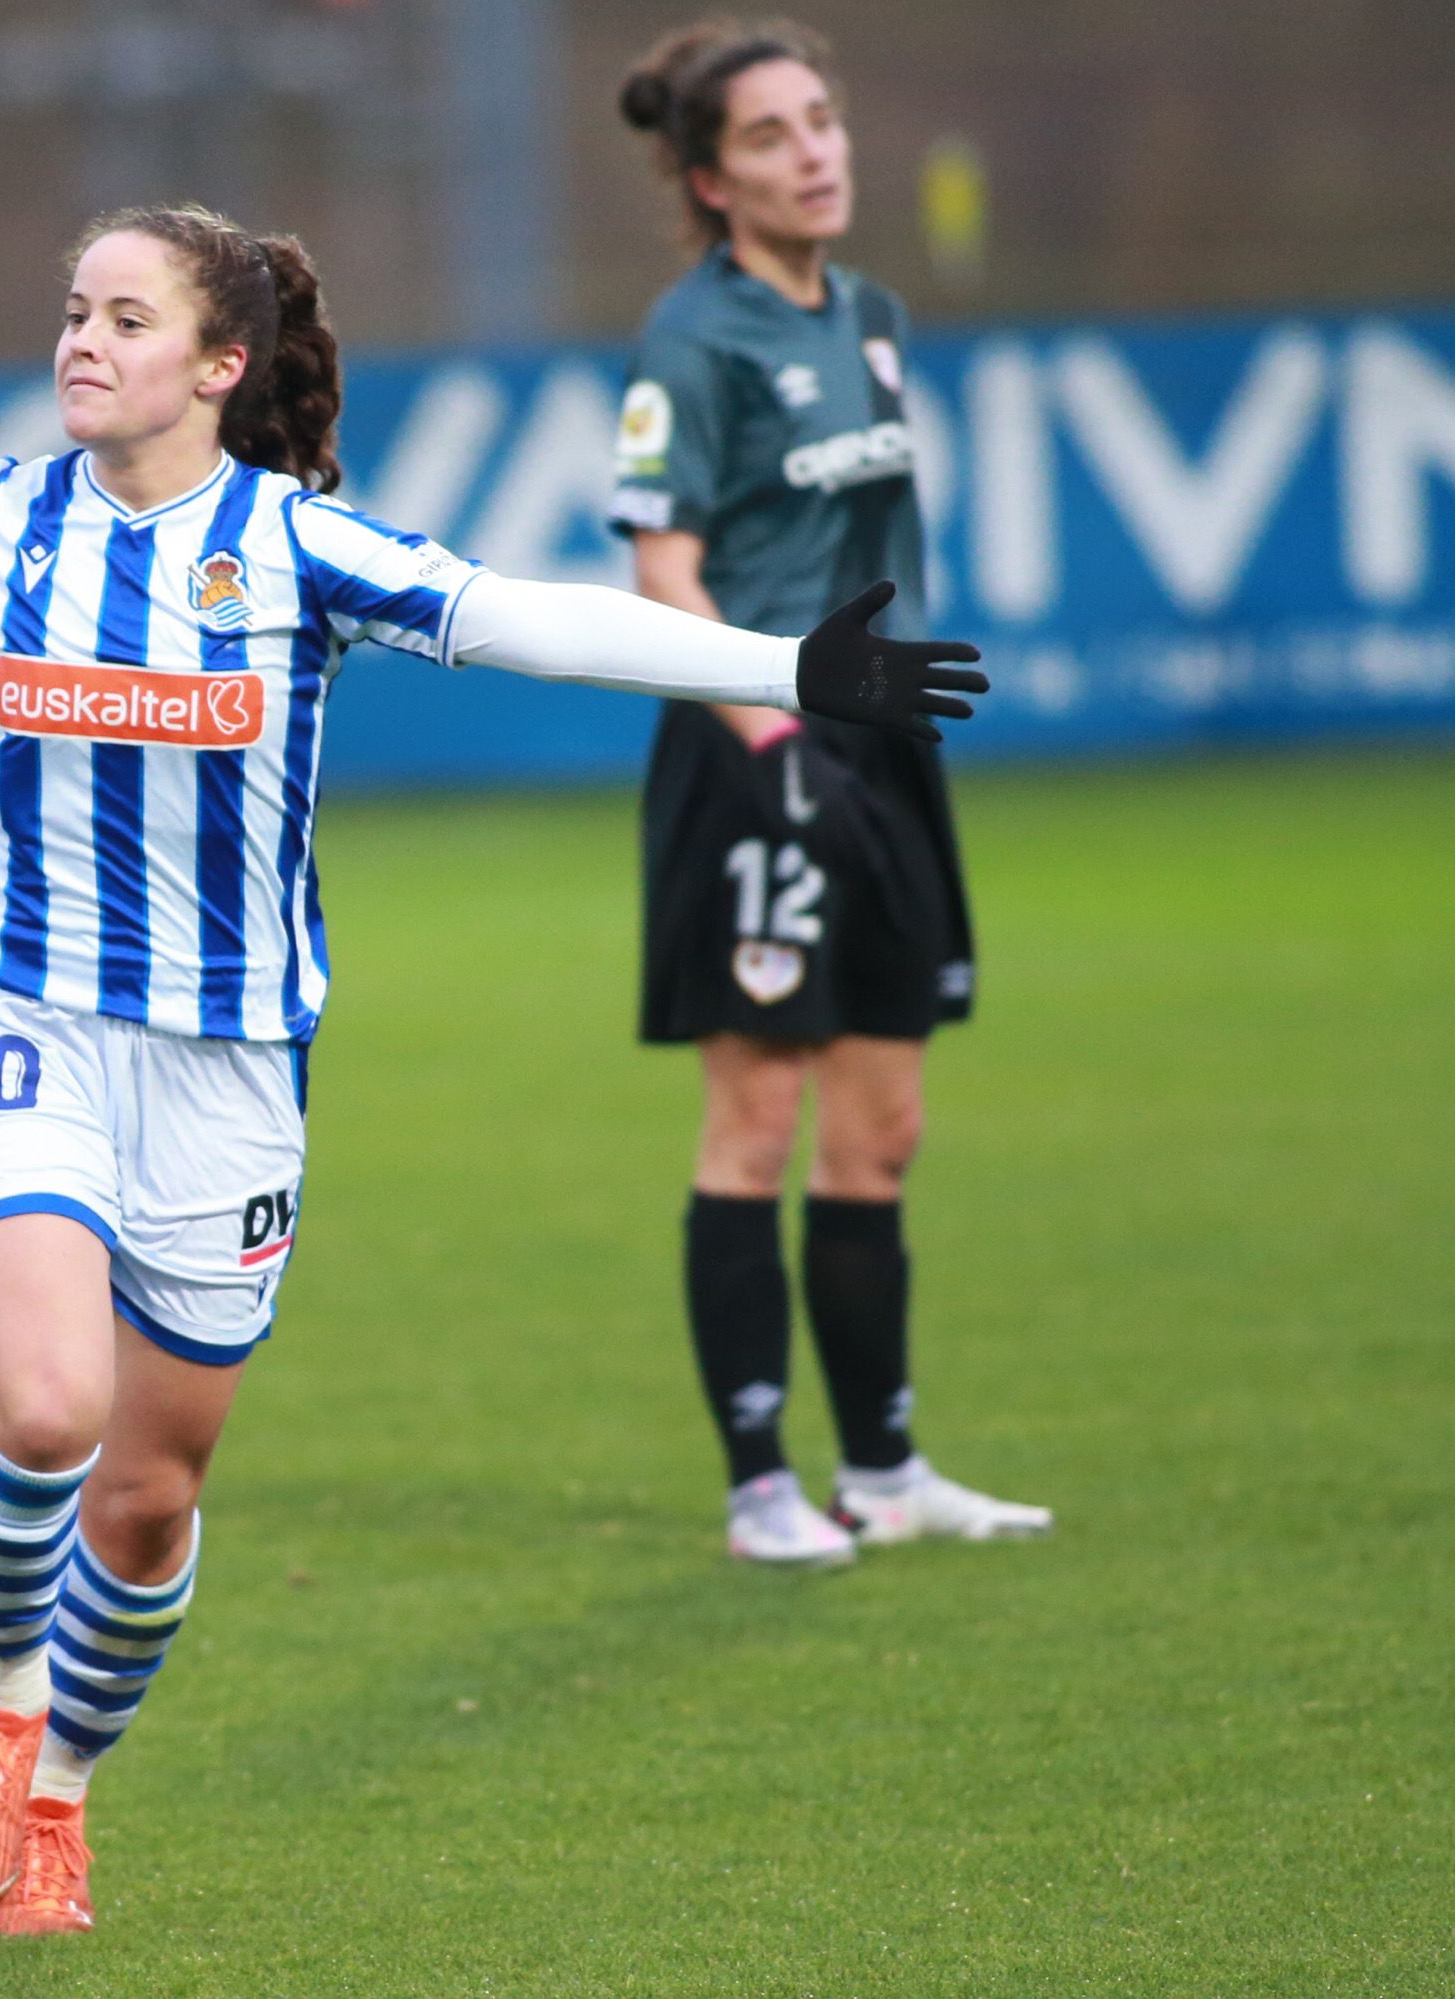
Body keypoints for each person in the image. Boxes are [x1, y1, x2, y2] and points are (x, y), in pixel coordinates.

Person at [0, 203, 984, 1933]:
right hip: (17, 1020)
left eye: (126, 319)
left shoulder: (303, 552)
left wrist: (790, 665)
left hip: (228, 1071)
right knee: (49, 1409)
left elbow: (533, 621)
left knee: (150, 1494)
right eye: (71, 309)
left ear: (218, 367)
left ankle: (59, 1797)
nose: (81, 341)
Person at [607, 20, 1051, 1565]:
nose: (819, 150)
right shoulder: (692, 340)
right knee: (759, 1115)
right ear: (712, 178)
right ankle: (757, 1488)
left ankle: (885, 1469)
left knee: (885, 1125)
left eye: (825, 119)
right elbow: (663, 570)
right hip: (756, 753)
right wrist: (776, 738)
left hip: (881, 749)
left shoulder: (869, 311)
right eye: (777, 134)